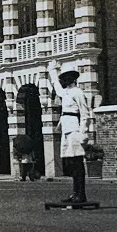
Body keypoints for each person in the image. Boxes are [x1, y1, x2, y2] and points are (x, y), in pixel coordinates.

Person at [47, 59, 92, 205]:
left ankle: (81, 194)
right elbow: (57, 86)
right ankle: (75, 193)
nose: (65, 80)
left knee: (77, 162)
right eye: (64, 77)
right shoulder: (66, 92)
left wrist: (84, 132)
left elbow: (85, 113)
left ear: (73, 78)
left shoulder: (78, 93)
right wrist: (52, 71)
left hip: (74, 129)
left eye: (67, 77)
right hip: (66, 128)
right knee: (72, 163)